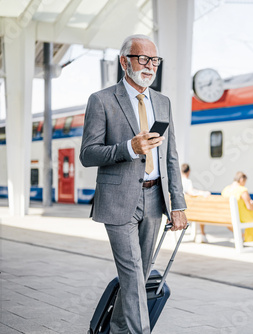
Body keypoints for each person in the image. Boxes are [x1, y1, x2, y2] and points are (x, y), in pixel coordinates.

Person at [79, 34, 187, 334]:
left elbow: (170, 157)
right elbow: (87, 154)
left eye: (155, 60)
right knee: (132, 275)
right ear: (124, 61)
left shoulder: (163, 102)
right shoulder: (101, 100)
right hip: (118, 200)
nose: (150, 66)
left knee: (139, 275)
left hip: (155, 200)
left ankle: (115, 330)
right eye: (143, 59)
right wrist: (129, 148)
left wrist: (178, 204)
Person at [181, 163, 210, 243]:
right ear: (189, 171)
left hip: (180, 208)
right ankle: (203, 234)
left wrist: (200, 191)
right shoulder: (188, 181)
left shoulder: (178, 180)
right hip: (188, 211)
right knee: (201, 213)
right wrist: (203, 193)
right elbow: (191, 192)